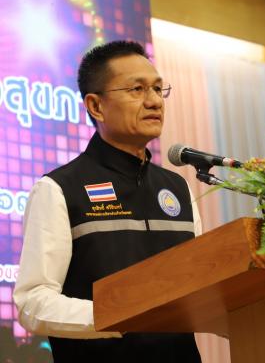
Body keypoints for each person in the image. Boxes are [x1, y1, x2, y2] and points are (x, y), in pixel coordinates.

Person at [13, 41, 202, 363]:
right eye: (137, 89)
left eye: (158, 89)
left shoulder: (178, 188)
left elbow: (200, 285)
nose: (154, 101)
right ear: (96, 106)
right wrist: (118, 316)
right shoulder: (58, 188)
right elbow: (33, 302)